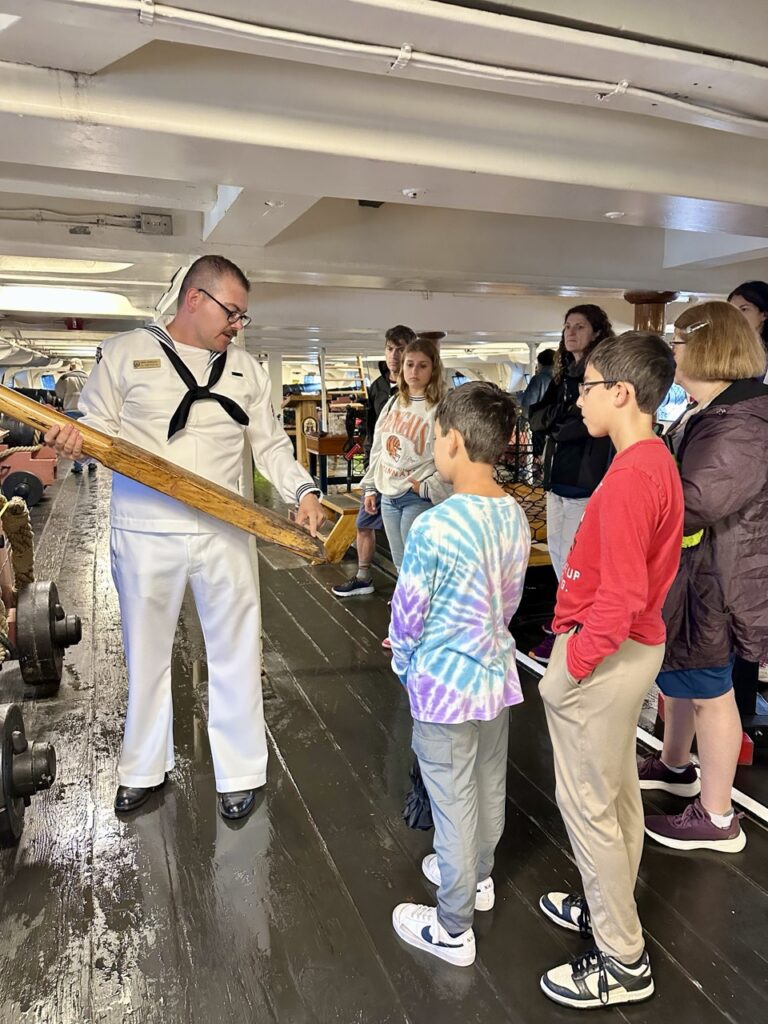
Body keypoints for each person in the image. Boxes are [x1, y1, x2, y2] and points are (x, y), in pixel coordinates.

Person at [44, 255, 325, 821]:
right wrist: (73, 440)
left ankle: (241, 772)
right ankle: (142, 769)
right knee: (145, 654)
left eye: (244, 316)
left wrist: (302, 492)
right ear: (194, 298)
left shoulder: (245, 368)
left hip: (227, 529)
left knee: (237, 651)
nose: (238, 325)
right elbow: (94, 429)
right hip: (146, 533)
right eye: (233, 312)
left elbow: (270, 443)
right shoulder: (125, 353)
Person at [537, 332, 683, 1009]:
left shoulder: (630, 477)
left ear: (620, 393)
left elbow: (619, 599)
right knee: (616, 793)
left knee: (588, 804)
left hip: (605, 654)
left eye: (588, 386)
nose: (580, 397)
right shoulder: (653, 461)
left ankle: (623, 960)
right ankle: (607, 910)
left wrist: (569, 671)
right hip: (631, 651)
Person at [388, 382, 531, 967]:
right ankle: (479, 877)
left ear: (451, 441)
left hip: (444, 686)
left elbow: (408, 613)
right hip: (496, 677)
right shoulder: (516, 515)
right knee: (488, 785)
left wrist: (403, 658)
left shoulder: (434, 526)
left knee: (451, 799)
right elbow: (512, 599)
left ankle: (452, 925)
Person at [641, 302, 768, 853]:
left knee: (713, 689)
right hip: (701, 571)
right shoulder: (714, 409)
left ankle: (718, 817)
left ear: (708, 347)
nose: (673, 352)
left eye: (679, 341)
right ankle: (674, 764)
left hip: (718, 576)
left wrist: (638, 485)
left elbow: (697, 500)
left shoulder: (741, 420)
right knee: (687, 673)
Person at [527, 305, 614, 664]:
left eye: (580, 326)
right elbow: (535, 415)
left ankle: (576, 629)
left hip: (583, 479)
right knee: (561, 556)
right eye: (567, 326)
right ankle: (567, 621)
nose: (571, 332)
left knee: (576, 561)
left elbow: (576, 426)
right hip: (557, 478)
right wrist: (558, 423)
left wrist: (558, 424)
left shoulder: (602, 372)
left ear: (596, 332)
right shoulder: (563, 377)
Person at [361, 336, 450, 646]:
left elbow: (449, 453)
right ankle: (406, 625)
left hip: (417, 495)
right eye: (410, 365)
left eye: (422, 365)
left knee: (417, 565)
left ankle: (417, 627)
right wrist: (371, 486)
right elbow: (380, 448)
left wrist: (429, 486)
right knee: (401, 566)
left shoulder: (439, 407)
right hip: (389, 493)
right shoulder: (392, 402)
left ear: (433, 369)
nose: (414, 371)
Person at [331, 325, 415, 597]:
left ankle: (411, 595)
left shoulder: (417, 388)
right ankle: (364, 576)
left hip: (407, 476)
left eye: (400, 350)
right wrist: (368, 471)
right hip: (380, 469)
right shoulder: (378, 387)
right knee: (363, 523)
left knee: (408, 540)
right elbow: (373, 431)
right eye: (390, 349)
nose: (394, 355)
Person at [55, 358, 95, 474]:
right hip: (86, 411)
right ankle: (92, 463)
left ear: (71, 366)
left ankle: (78, 467)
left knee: (74, 440)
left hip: (71, 409)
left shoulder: (65, 378)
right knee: (88, 438)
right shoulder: (88, 378)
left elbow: (59, 393)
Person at [728, 280, 768, 380]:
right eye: (732, 310)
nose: (736, 316)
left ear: (764, 314)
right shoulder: (728, 350)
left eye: (744, 309)